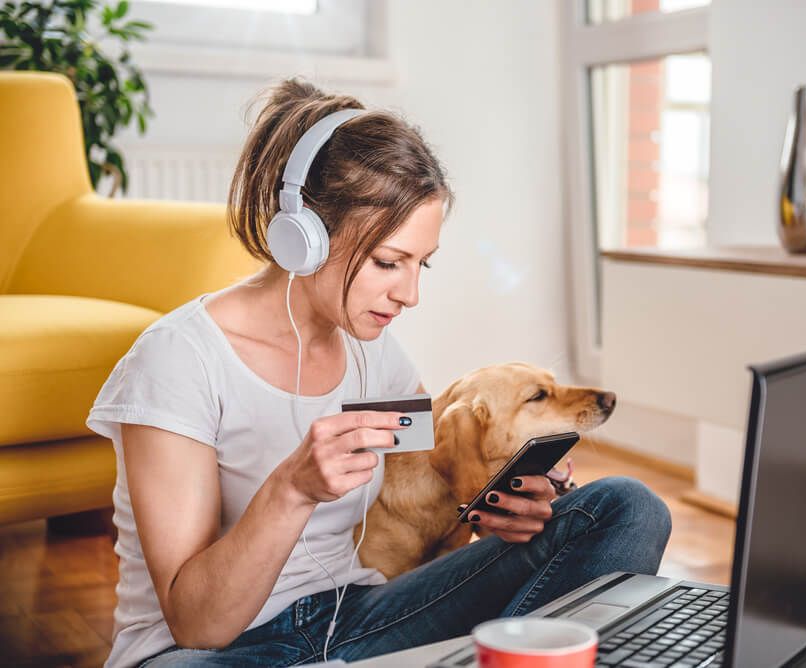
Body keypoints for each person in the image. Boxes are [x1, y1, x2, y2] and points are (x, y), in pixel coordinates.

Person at [87, 79, 672, 668]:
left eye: (422, 264)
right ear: (305, 238)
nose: (410, 293)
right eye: (388, 262)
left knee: (625, 506)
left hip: (360, 616)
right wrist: (291, 489)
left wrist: (502, 504)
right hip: (215, 652)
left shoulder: (376, 356)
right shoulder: (178, 361)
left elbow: (440, 467)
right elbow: (197, 624)